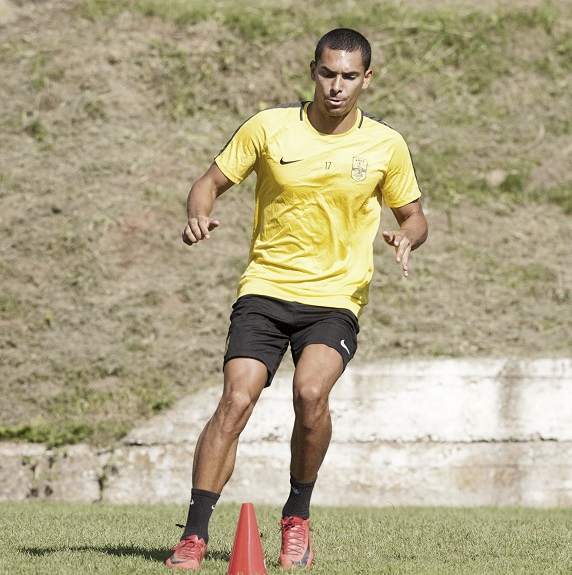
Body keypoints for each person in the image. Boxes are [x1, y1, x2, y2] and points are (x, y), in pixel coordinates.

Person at [165, 28, 428, 571]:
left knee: (310, 394)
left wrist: (408, 236)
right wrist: (197, 212)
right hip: (266, 287)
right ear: (313, 71)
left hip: (335, 296)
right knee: (236, 398)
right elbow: (209, 182)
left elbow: (414, 215)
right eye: (327, 73)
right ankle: (193, 535)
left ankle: (296, 517)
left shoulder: (386, 144)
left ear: (367, 79)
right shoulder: (269, 127)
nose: (336, 86)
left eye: (349, 76)